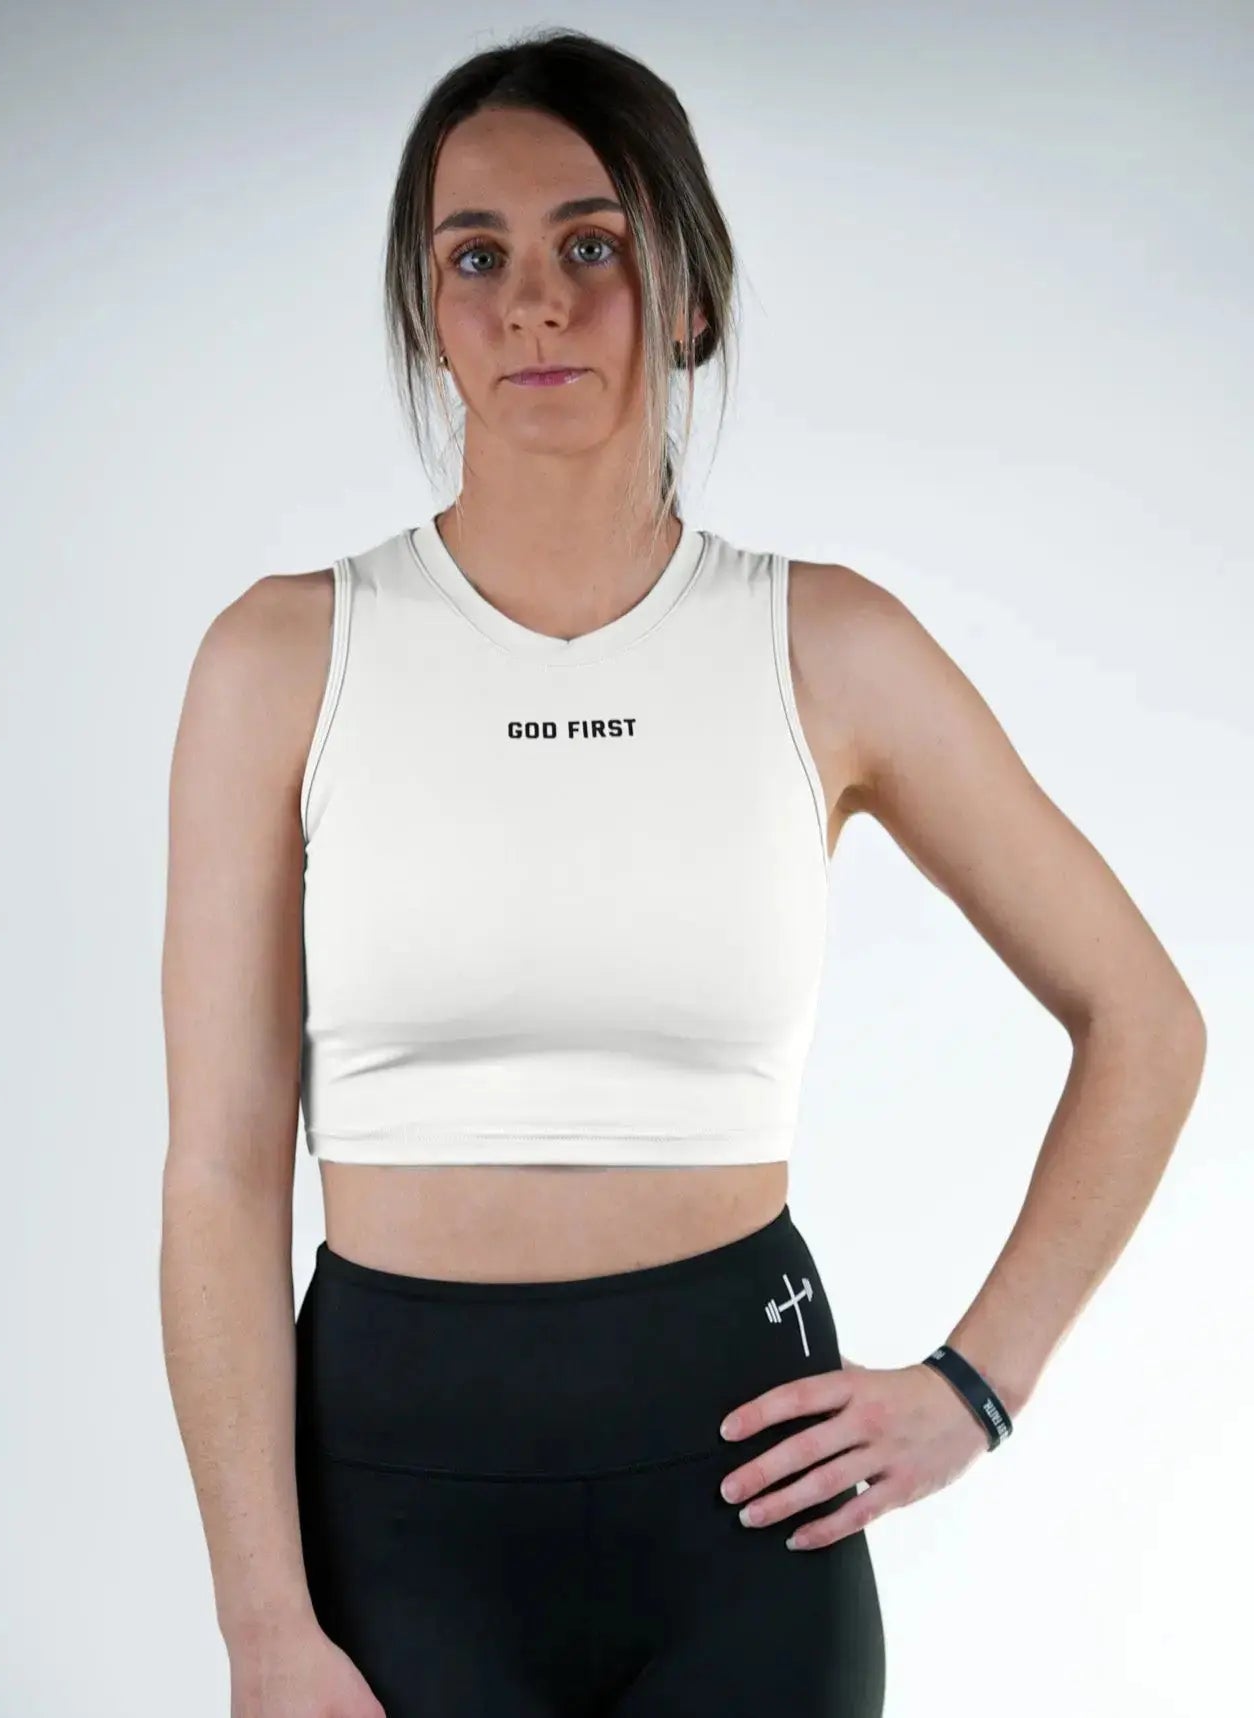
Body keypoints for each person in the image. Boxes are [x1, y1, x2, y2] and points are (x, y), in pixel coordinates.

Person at [159, 27, 1206, 1718]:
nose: (534, 303)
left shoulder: (828, 648)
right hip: (389, 1525)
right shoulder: (282, 660)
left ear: (690, 295)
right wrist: (261, 1623)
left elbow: (1143, 1019)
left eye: (593, 245)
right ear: (427, 313)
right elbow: (217, 1169)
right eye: (475, 257)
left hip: (745, 1523)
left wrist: (977, 1385)